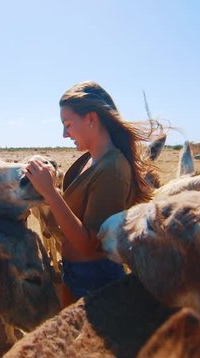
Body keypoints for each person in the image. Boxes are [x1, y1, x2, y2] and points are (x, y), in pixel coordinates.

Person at [25, 81, 155, 307]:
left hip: (95, 278)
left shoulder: (113, 169)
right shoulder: (90, 159)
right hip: (75, 272)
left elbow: (89, 244)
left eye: (67, 124)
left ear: (91, 119)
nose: (65, 134)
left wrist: (50, 192)